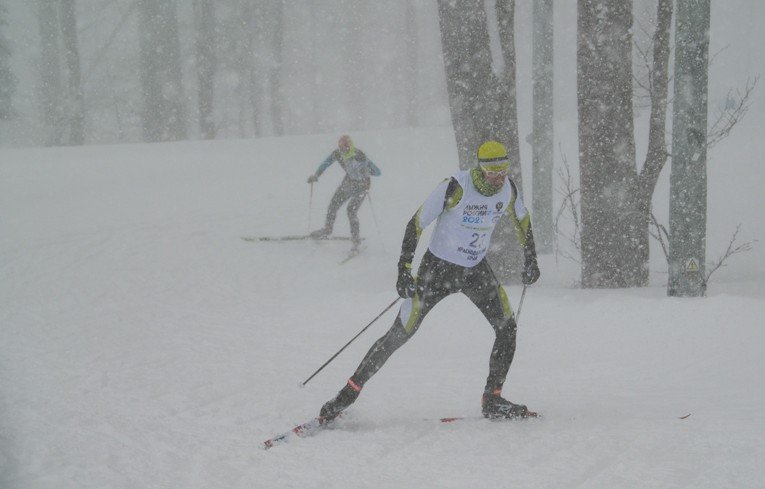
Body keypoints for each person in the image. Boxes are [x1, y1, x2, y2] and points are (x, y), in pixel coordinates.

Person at [319, 140, 540, 421]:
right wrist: (404, 269)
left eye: (502, 170)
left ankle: (492, 399)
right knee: (399, 334)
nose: (498, 177)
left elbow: (522, 219)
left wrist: (531, 258)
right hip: (438, 270)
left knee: (507, 328)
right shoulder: (456, 186)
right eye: (492, 171)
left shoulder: (508, 189)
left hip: (475, 270)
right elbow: (416, 223)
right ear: (480, 168)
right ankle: (344, 397)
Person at [307, 135, 381, 251]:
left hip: (362, 185)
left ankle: (355, 240)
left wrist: (367, 169)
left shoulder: (359, 155)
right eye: (341, 147)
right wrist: (316, 175)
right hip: (349, 182)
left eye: (346, 146)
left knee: (351, 210)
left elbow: (377, 172)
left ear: (350, 145)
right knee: (333, 204)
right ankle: (327, 229)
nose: (343, 149)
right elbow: (326, 163)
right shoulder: (337, 154)